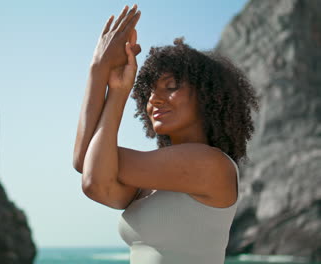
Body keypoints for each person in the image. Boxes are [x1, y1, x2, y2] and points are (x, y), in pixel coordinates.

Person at [72, 4, 259, 264]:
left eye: (170, 87)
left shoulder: (211, 164)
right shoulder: (151, 180)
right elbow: (93, 178)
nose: (154, 99)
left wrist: (105, 77)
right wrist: (105, 78)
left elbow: (88, 166)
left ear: (207, 98)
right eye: (149, 91)